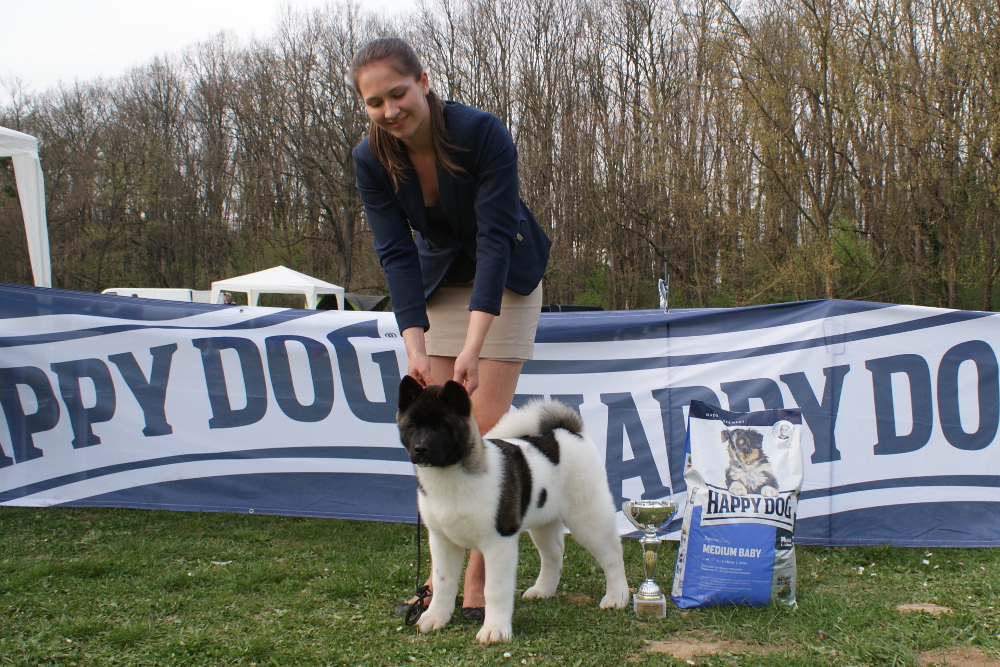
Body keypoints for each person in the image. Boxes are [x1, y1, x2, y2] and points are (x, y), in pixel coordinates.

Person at [348, 37, 551, 621]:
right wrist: (413, 345)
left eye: (398, 93)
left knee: (479, 432)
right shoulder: (370, 159)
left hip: (504, 277)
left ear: (424, 81)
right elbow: (395, 253)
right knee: (434, 430)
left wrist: (474, 345)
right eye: (374, 102)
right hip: (438, 279)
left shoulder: (481, 132)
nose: (389, 110)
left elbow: (494, 240)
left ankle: (478, 587)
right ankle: (440, 582)